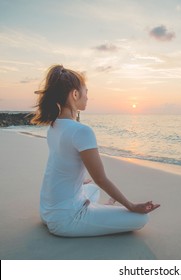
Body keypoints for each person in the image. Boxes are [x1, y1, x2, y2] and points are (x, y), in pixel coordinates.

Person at [31, 65, 160, 237]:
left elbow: (62, 162)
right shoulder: (82, 131)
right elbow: (101, 179)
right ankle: (98, 213)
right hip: (66, 220)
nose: (88, 97)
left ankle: (99, 211)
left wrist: (77, 181)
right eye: (86, 91)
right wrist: (131, 205)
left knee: (92, 189)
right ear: (75, 95)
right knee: (141, 220)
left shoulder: (54, 126)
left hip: (47, 211)